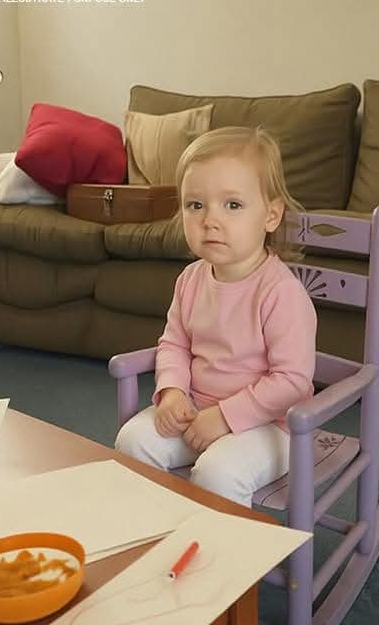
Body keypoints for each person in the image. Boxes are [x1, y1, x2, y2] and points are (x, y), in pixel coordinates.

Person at [115, 126, 317, 507]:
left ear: (271, 215)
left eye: (233, 205)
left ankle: (222, 544)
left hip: (270, 426)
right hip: (196, 409)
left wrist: (225, 417)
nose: (210, 220)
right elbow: (174, 344)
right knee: (133, 441)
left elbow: (292, 382)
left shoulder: (281, 292)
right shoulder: (191, 280)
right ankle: (156, 527)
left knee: (218, 472)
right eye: (195, 205)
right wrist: (173, 391)